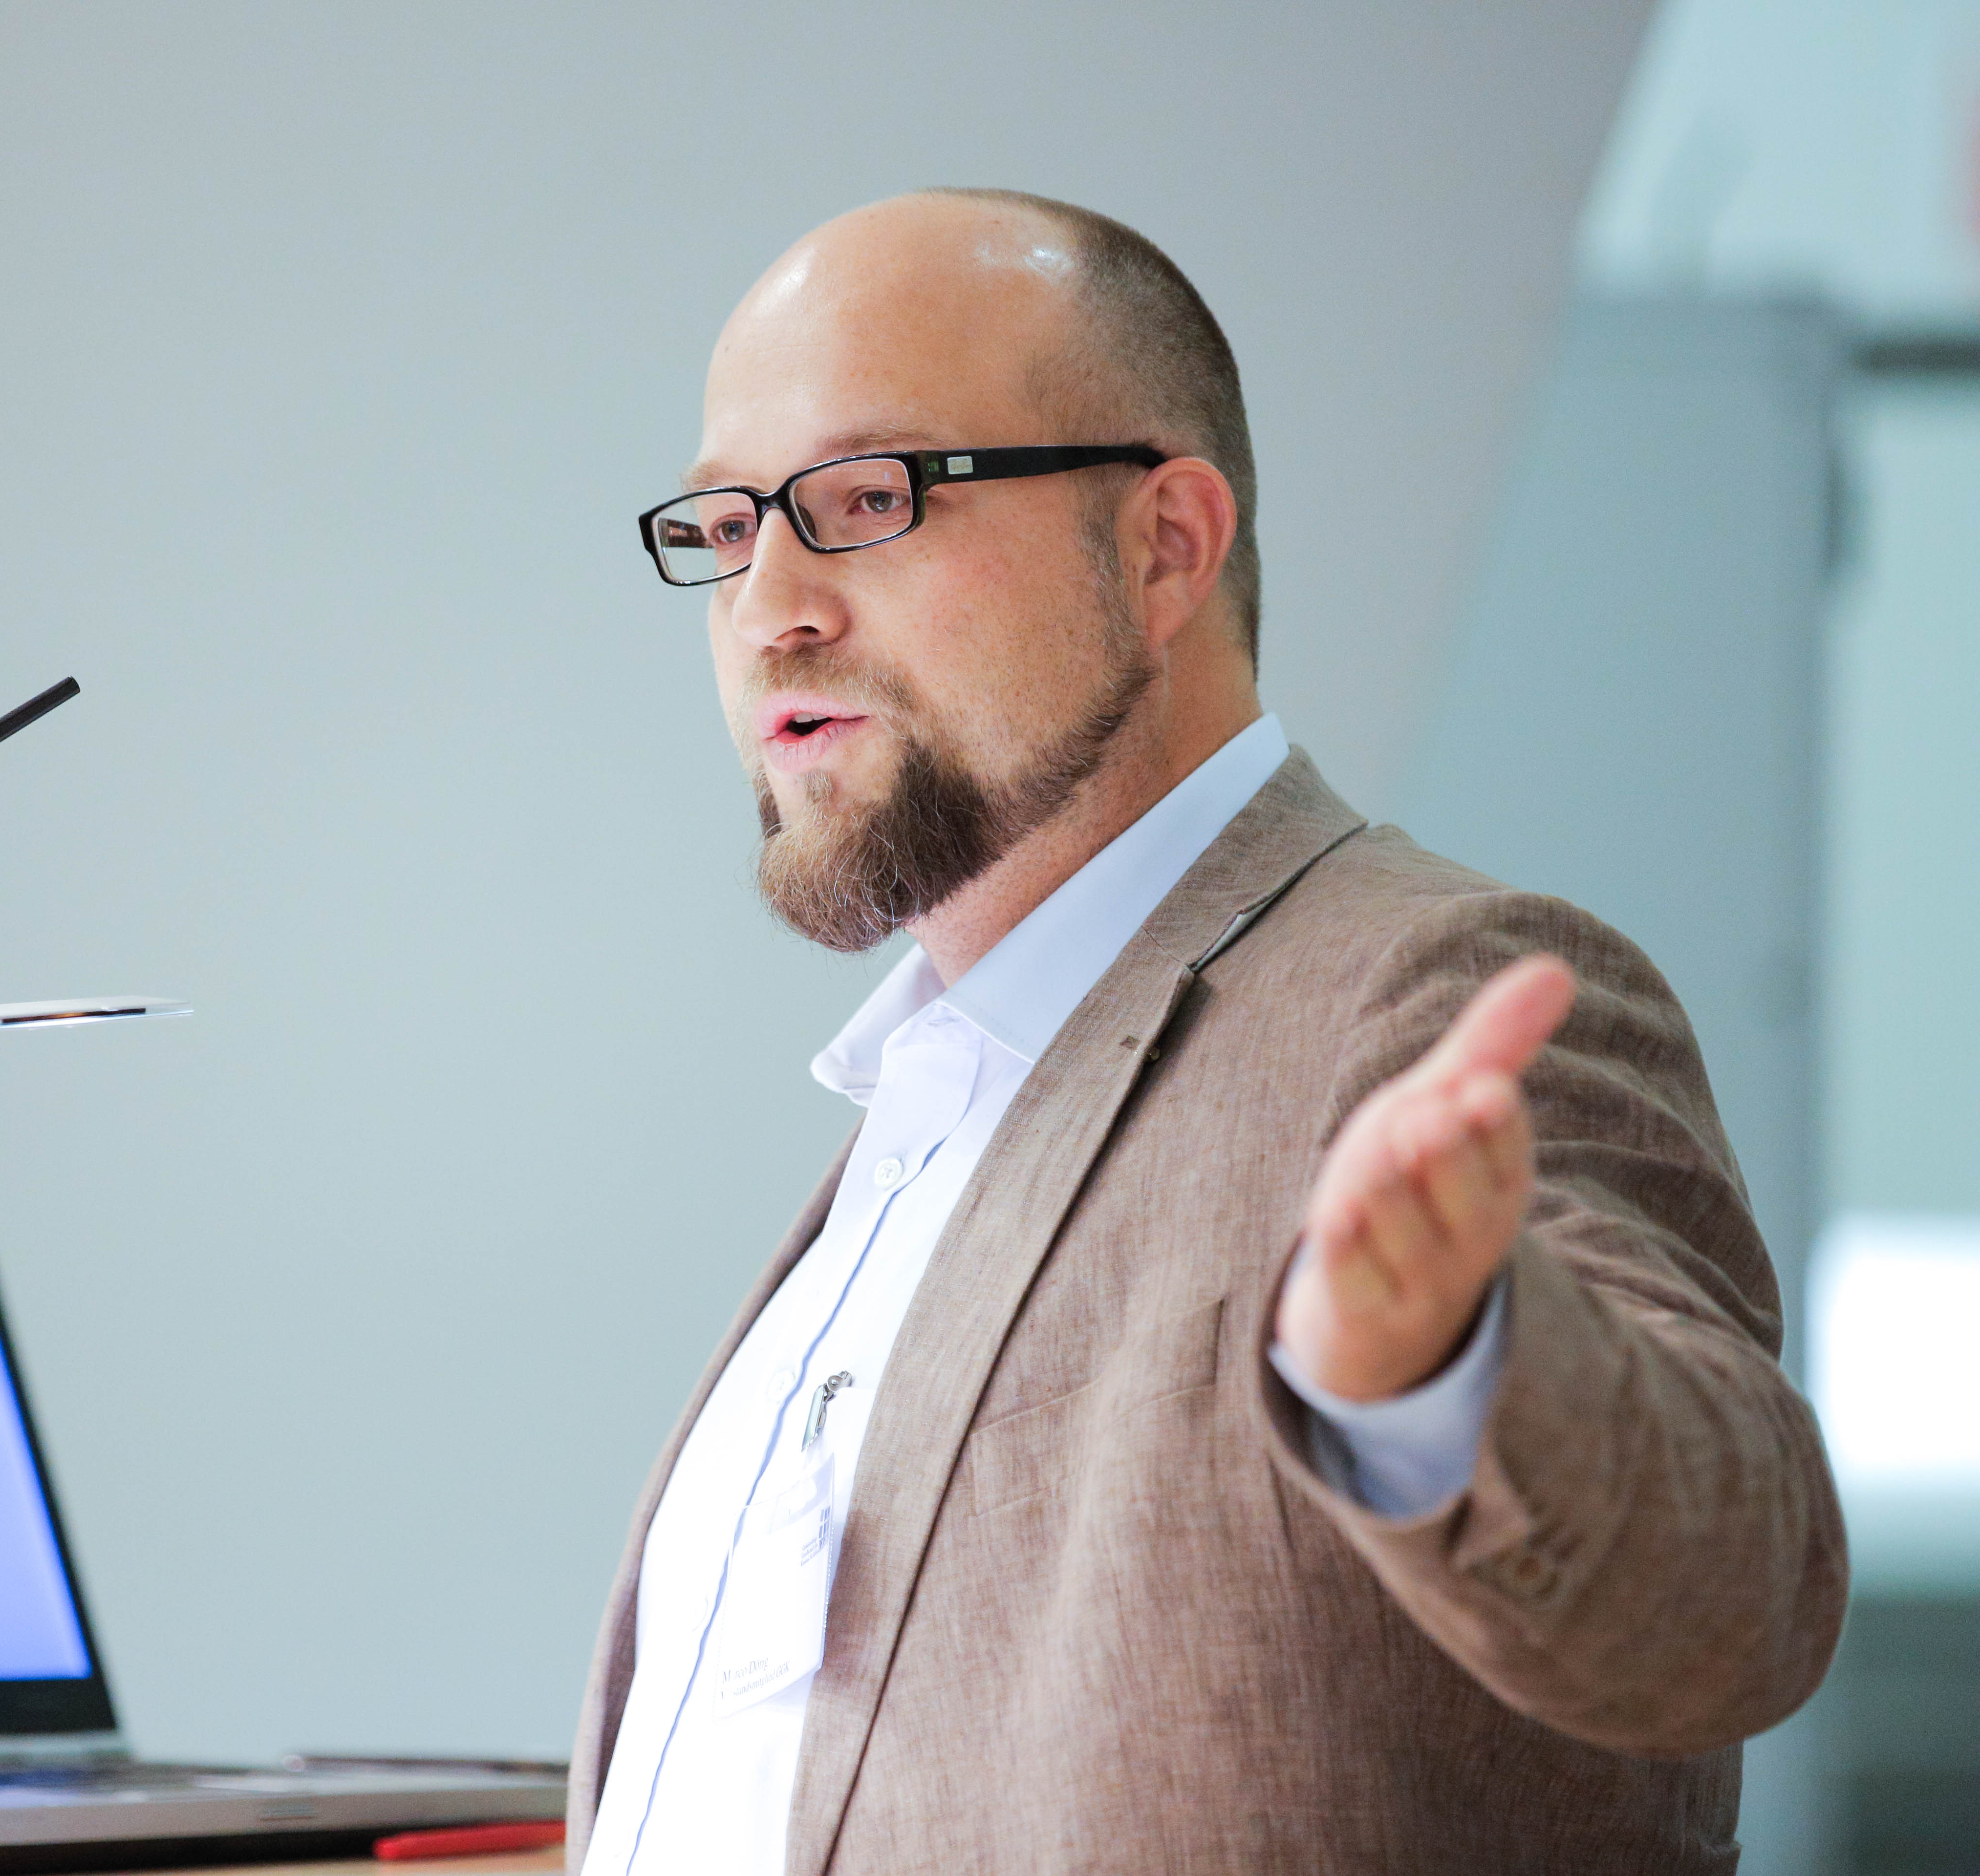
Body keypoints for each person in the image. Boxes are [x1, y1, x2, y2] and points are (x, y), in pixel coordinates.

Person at [569, 190, 1847, 1876]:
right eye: (729, 526)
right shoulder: (926, 1107)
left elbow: (1729, 1615)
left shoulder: (1430, 1000)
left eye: (868, 499)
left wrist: (1452, 1370)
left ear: (1166, 545)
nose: (767, 606)